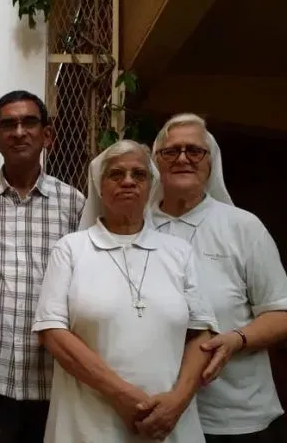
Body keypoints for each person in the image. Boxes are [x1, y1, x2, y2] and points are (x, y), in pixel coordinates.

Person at [33, 139, 219, 442]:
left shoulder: (178, 252)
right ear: (100, 187)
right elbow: (52, 332)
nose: (128, 181)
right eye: (116, 174)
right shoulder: (72, 249)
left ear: (150, 186)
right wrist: (125, 397)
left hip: (169, 423)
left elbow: (202, 332)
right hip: (89, 424)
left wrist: (178, 401)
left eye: (139, 174)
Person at [148, 113, 287, 442]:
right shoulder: (136, 227)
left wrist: (236, 340)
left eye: (194, 150)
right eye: (171, 151)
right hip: (155, 411)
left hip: (233, 417)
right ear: (156, 162)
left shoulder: (242, 227)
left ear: (211, 161)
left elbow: (286, 315)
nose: (183, 158)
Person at [0, 90, 85, 443]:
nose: (19, 131)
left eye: (29, 122)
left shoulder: (74, 203)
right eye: (8, 125)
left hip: (53, 378)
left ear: (47, 135)